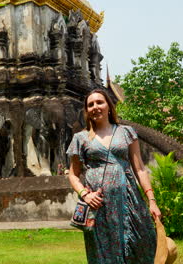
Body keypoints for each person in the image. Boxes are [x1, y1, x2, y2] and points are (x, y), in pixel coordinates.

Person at [66, 89, 161, 264]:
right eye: (90, 104)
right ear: (87, 111)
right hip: (99, 204)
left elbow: (139, 168)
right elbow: (73, 174)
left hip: (129, 199)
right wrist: (85, 195)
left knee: (143, 240)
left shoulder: (126, 132)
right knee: (103, 250)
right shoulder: (81, 138)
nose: (95, 107)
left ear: (109, 106)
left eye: (99, 102)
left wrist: (152, 200)